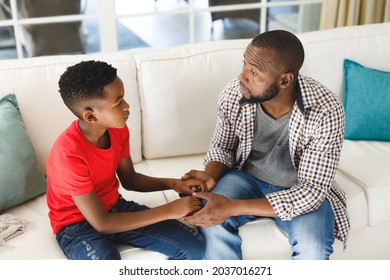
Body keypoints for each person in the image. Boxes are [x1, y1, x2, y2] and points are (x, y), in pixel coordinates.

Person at [182, 30, 350, 260]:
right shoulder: (235, 93)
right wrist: (211, 176)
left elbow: (311, 191)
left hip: (298, 187)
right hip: (245, 178)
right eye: (244, 65)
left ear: (284, 80)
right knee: (211, 221)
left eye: (254, 72)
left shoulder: (326, 111)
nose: (242, 77)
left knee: (314, 249)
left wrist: (233, 207)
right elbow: (223, 148)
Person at [46, 60, 205, 260]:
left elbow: (129, 179)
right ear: (91, 116)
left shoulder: (117, 130)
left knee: (195, 248)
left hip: (115, 208)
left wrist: (175, 184)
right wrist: (169, 210)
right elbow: (102, 223)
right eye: (118, 102)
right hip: (76, 226)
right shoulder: (68, 156)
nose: (127, 106)